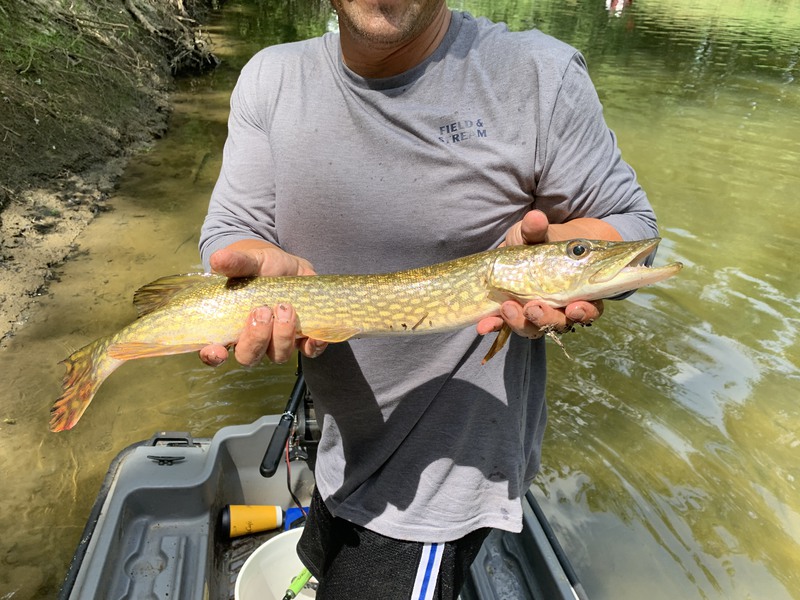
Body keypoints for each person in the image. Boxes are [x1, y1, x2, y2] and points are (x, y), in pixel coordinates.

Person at [198, 0, 657, 597]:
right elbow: (232, 225)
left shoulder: (540, 74)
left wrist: (570, 251)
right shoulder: (269, 76)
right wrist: (251, 260)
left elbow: (631, 227)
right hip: (338, 447)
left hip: (443, 474)